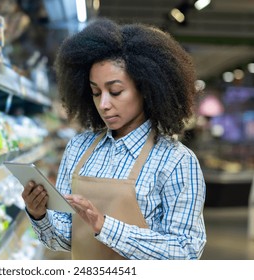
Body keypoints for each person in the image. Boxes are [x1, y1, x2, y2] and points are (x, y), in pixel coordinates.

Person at [21, 18, 207, 260]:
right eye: (96, 92)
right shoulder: (78, 148)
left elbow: (186, 252)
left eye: (116, 91)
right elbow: (67, 239)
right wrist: (39, 215)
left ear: (146, 87)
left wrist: (104, 227)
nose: (104, 104)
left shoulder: (176, 161)